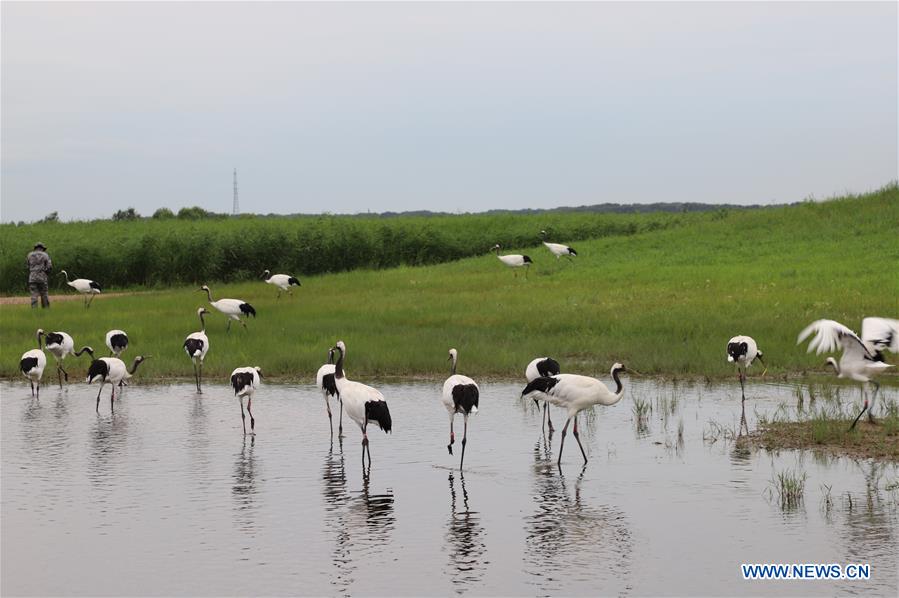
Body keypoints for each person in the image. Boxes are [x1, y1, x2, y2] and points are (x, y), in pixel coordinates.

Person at [26, 242, 52, 309]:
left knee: (34, 295)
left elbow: (27, 266)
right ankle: (46, 310)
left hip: (32, 277)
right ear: (42, 248)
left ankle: (34, 310)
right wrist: (46, 274)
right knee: (44, 294)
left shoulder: (29, 255)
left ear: (35, 248)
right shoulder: (45, 255)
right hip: (42, 277)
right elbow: (49, 267)